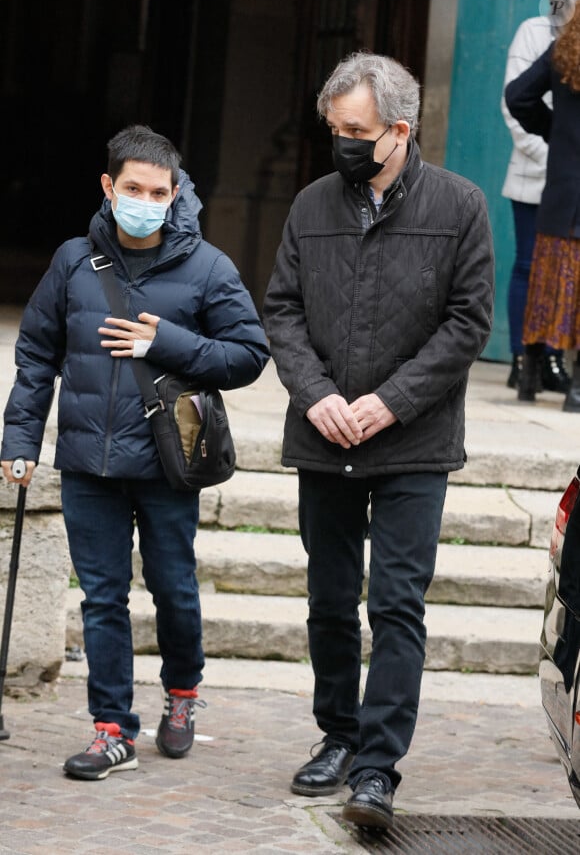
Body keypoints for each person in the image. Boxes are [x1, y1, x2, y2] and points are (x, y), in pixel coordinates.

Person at [262, 52, 494, 828]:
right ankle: (337, 732)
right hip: (324, 438)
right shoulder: (309, 206)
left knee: (396, 606)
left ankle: (376, 767)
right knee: (329, 602)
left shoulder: (461, 207)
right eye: (335, 130)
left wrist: (389, 404)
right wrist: (319, 395)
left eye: (356, 132)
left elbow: (468, 323)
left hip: (413, 446)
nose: (343, 144)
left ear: (399, 131)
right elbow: (283, 311)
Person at [0, 125, 270, 779]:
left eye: (158, 191)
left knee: (174, 589)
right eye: (132, 189)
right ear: (108, 187)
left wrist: (168, 342)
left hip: (168, 464)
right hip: (89, 463)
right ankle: (112, 727)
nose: (144, 200)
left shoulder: (208, 268)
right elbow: (37, 353)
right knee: (102, 597)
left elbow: (248, 355)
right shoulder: (73, 262)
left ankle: (182, 694)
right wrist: (21, 439)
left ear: (175, 193)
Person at [505, 0, 580, 411]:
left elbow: (518, 96)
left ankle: (529, 381)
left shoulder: (563, 53)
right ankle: (576, 392)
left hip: (561, 197)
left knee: (545, 287)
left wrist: (553, 132)